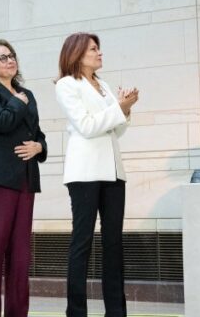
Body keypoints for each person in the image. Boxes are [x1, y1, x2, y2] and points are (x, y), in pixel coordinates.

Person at [54, 32, 139, 317]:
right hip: (85, 172)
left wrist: (124, 112)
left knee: (114, 243)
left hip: (114, 171)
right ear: (77, 54)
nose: (99, 52)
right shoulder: (67, 85)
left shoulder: (102, 85)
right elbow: (87, 126)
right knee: (82, 242)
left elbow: (116, 130)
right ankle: (76, 312)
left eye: (98, 48)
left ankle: (116, 311)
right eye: (93, 49)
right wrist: (119, 108)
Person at [0, 39, 47, 317]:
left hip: (25, 180)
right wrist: (16, 102)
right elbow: (1, 121)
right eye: (2, 57)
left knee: (20, 258)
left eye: (12, 55)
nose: (10, 60)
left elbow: (37, 133)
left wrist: (40, 147)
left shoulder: (27, 93)